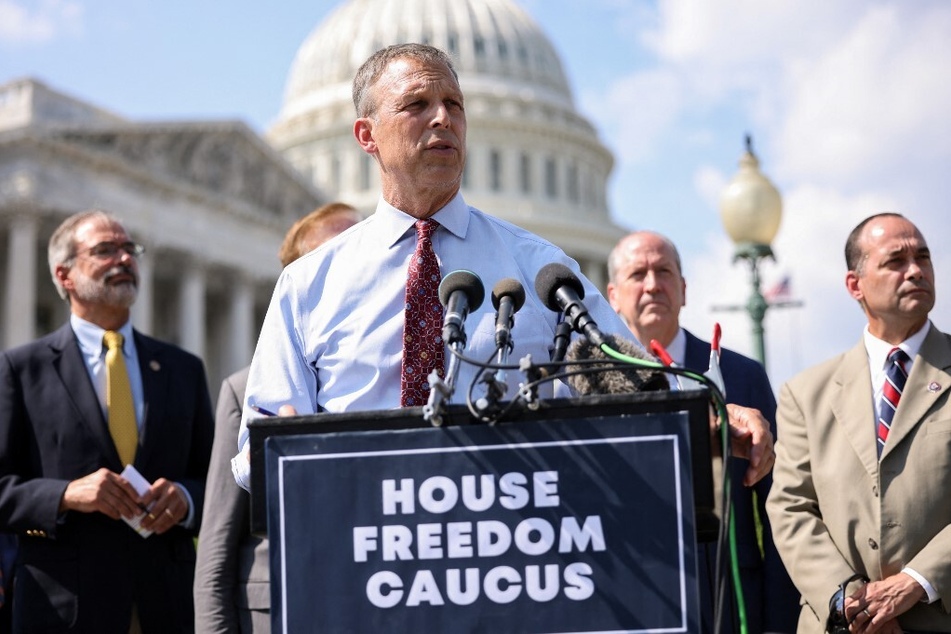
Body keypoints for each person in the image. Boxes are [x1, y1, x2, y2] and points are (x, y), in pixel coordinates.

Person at [232, 43, 773, 504]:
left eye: (454, 105)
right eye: (417, 104)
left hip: (509, 561)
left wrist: (711, 417)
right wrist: (286, 445)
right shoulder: (308, 286)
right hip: (363, 557)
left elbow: (633, 391)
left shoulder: (543, 273)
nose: (442, 118)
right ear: (366, 136)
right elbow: (254, 455)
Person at [0, 210, 214, 633]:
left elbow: (214, 481)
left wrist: (186, 500)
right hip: (64, 607)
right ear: (65, 275)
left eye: (129, 249)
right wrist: (65, 494)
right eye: (105, 250)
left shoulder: (182, 369)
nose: (124, 259)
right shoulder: (22, 369)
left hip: (166, 604)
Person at [766, 213, 951, 633]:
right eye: (896, 261)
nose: (917, 270)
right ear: (855, 285)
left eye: (923, 257)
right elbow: (790, 508)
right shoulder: (804, 393)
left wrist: (916, 583)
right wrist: (848, 602)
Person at [607, 230, 799, 633]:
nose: (652, 284)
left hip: (729, 602)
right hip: (631, 603)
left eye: (664, 271)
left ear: (684, 288)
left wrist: (780, 621)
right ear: (612, 295)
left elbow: (780, 507)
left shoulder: (743, 376)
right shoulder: (589, 384)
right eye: (637, 274)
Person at [194, 202, 361, 634]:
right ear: (299, 281)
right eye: (337, 255)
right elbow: (217, 544)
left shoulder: (408, 373)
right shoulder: (245, 388)